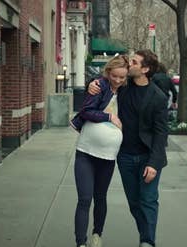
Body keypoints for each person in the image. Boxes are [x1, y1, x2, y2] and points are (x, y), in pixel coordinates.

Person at [88, 50, 169, 247]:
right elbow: (110, 76)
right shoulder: (123, 87)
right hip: (124, 156)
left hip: (147, 158)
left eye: (134, 61)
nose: (129, 63)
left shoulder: (157, 97)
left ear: (145, 69)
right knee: (134, 203)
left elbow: (161, 133)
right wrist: (94, 82)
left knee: (148, 201)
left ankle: (147, 241)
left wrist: (153, 163)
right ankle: (145, 235)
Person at [69, 55, 129, 247]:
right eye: (115, 76)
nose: (118, 80)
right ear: (108, 72)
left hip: (108, 156)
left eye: (122, 77)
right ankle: (80, 243)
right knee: (85, 199)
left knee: (100, 197)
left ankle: (97, 234)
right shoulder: (100, 86)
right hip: (86, 152)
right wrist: (108, 116)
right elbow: (86, 111)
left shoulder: (126, 91)